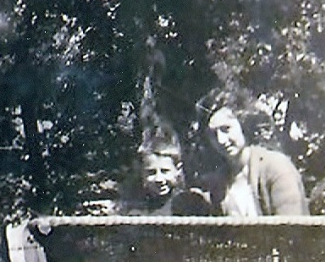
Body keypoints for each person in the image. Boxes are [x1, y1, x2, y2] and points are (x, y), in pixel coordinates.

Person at [196, 88, 308, 216]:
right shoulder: (219, 183)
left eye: (226, 129)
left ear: (243, 123)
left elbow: (291, 229)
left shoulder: (276, 168)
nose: (221, 140)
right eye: (212, 134)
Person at [122, 123, 211, 216]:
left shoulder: (191, 204)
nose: (159, 179)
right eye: (151, 172)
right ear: (142, 173)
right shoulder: (134, 208)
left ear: (178, 169)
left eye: (165, 171)